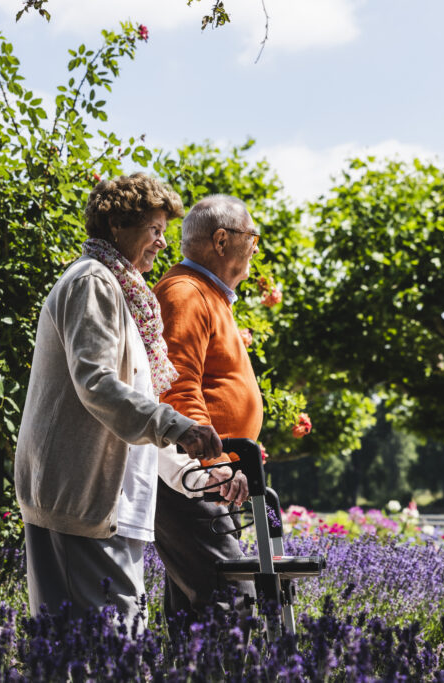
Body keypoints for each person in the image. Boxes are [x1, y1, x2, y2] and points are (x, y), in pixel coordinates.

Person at [14, 173, 232, 625]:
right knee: (108, 652)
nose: (161, 244)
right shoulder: (91, 282)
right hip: (82, 500)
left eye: (164, 232)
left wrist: (200, 476)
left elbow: (137, 405)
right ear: (116, 225)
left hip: (110, 504)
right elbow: (96, 383)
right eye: (154, 230)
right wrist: (178, 425)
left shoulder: (122, 290)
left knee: (93, 651)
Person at [152, 194, 263, 621]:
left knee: (194, 613)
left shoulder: (206, 294)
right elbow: (176, 387)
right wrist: (213, 461)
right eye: (251, 236)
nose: (255, 246)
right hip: (192, 477)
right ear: (221, 240)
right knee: (233, 598)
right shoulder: (186, 292)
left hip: (206, 477)